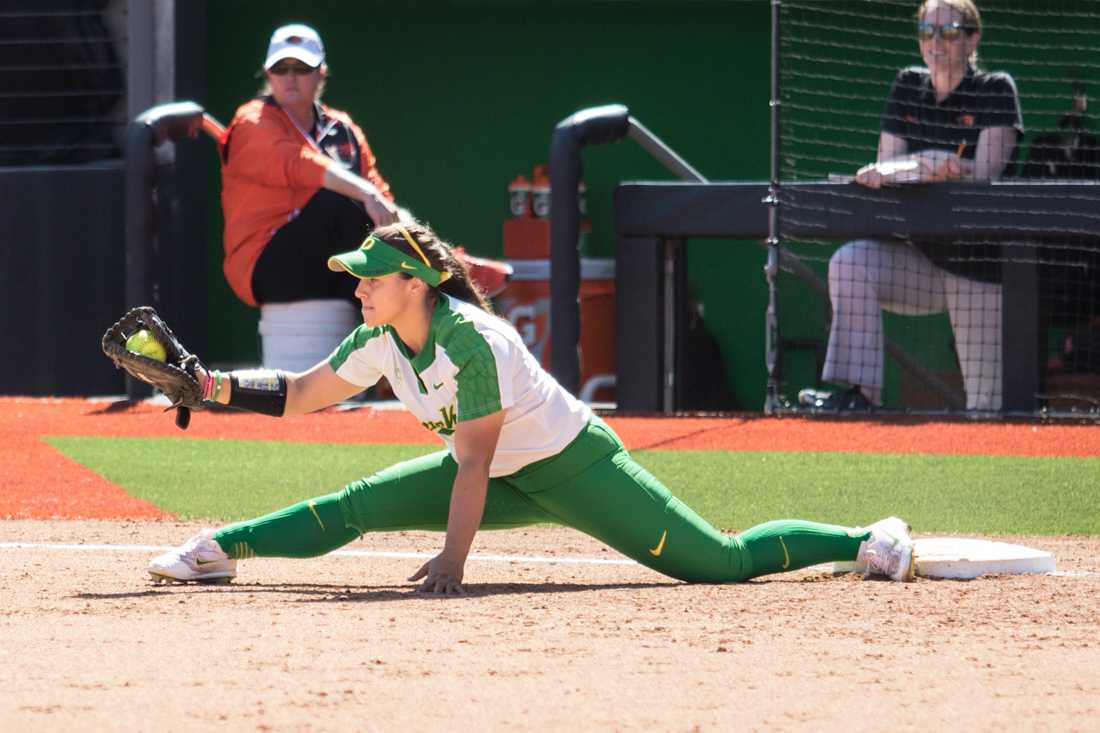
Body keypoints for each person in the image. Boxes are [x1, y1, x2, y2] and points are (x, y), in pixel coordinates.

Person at [149, 221, 917, 592]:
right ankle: (220, 550)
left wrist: (454, 561)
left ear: (415, 284)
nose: (358, 288)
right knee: (354, 504)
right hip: (496, 473)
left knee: (719, 563)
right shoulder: (379, 339)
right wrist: (210, 385)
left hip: (572, 464)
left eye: (370, 279)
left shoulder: (471, 343)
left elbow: (474, 462)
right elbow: (300, 394)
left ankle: (867, 537)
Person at [799, 0, 1022, 412]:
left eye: (949, 31)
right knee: (850, 263)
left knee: (987, 410)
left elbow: (989, 173)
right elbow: (889, 165)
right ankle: (859, 397)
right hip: (916, 260)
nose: (935, 41)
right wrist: (898, 171)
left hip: (979, 266)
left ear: (972, 38)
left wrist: (947, 168)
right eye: (926, 31)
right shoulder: (907, 85)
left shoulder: (995, 88)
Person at [219, 23, 400, 312]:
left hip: (331, 264)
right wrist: (366, 193)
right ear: (268, 74)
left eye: (301, 68)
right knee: (344, 200)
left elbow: (382, 198)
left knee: (395, 241)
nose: (290, 78)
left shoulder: (343, 127)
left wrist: (419, 243)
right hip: (264, 265)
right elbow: (298, 163)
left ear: (321, 73)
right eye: (281, 68)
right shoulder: (251, 121)